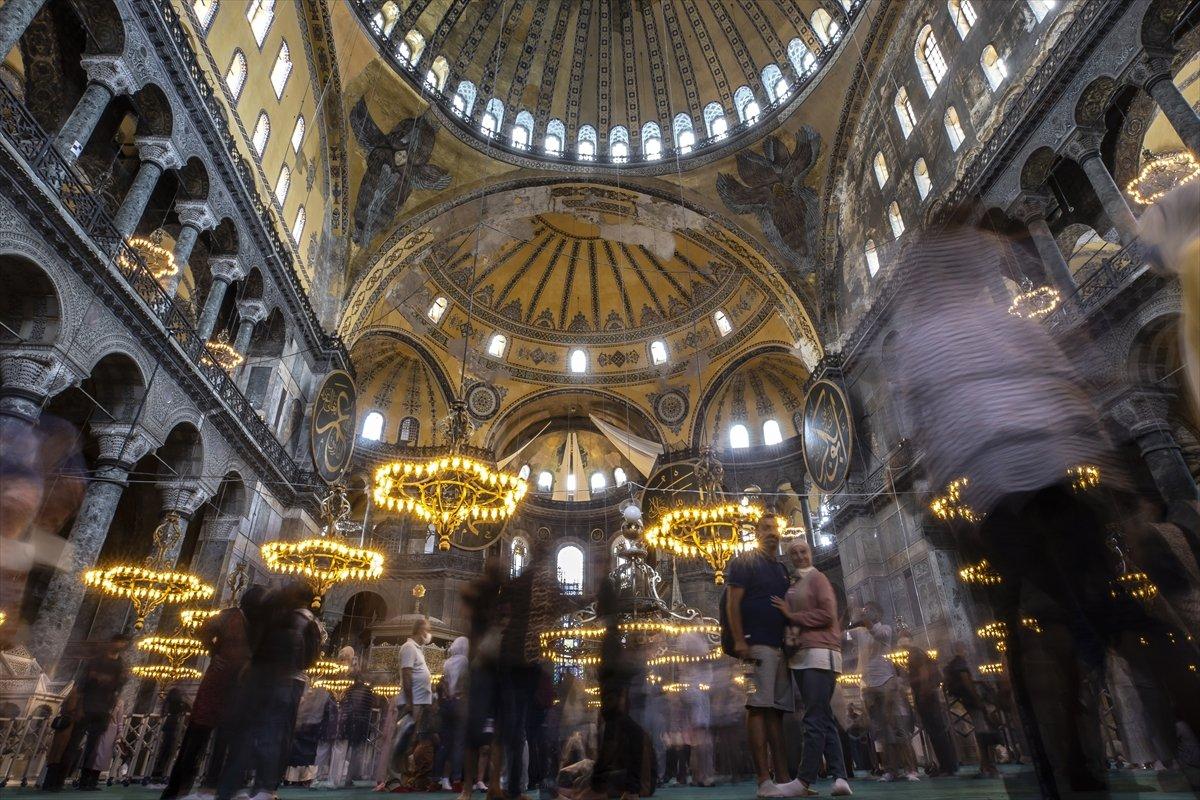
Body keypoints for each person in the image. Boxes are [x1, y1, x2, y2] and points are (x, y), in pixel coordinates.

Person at [215, 581, 323, 800]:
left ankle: (227, 790)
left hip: (256, 679)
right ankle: (265, 789)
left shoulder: (268, 612)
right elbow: (310, 655)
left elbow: (254, 643)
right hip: (285, 681)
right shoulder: (305, 620)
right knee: (274, 736)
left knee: (245, 737)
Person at [162, 586, 265, 800]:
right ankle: (178, 789)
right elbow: (202, 631)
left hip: (239, 687)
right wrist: (215, 653)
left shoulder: (259, 624)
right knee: (196, 737)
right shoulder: (228, 616)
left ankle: (212, 787)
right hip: (217, 683)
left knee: (225, 740)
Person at [771, 538, 851, 797]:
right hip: (801, 656)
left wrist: (792, 615)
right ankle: (840, 777)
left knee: (814, 718)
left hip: (820, 653)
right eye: (793, 552)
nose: (799, 555)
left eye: (803, 551)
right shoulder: (794, 583)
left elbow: (827, 615)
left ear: (811, 552)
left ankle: (803, 780)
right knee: (824, 717)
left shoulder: (818, 578)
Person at [724, 513, 796, 798]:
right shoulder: (744, 562)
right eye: (765, 529)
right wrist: (740, 639)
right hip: (755, 647)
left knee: (777, 712)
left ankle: (784, 777)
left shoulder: (780, 569)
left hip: (780, 649)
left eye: (775, 529)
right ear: (756, 533)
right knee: (757, 707)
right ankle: (763, 779)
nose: (771, 533)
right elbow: (732, 603)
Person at [497, 536, 562, 800]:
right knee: (523, 725)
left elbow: (501, 604)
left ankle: (510, 786)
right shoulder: (545, 581)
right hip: (528, 657)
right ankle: (517, 787)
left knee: (513, 724)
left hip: (509, 654)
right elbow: (559, 608)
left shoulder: (521, 579)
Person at [43, 633, 130, 791]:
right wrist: (78, 705)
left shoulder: (121, 666)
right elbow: (82, 683)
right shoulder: (96, 661)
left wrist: (110, 706)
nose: (120, 646)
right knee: (72, 744)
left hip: (103, 709)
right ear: (112, 643)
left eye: (123, 643)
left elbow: (119, 686)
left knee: (94, 747)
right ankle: (57, 781)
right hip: (85, 707)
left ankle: (86, 782)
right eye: (118, 642)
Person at [847, 603, 917, 782]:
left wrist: (866, 622)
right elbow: (849, 641)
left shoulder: (885, 629)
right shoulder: (860, 634)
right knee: (881, 730)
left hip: (887, 682)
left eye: (869, 611)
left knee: (897, 726)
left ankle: (910, 769)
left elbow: (877, 634)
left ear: (878, 613)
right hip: (870, 685)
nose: (866, 613)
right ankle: (890, 770)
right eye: (865, 611)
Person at [895, 632, 956, 777]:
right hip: (927, 695)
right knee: (936, 731)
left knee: (936, 731)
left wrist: (921, 690)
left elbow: (923, 673)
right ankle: (948, 765)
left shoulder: (915, 653)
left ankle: (947, 767)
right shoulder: (916, 653)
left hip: (927, 697)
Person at [389, 618, 434, 789]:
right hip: (411, 702)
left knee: (408, 743)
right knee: (400, 741)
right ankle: (393, 780)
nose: (429, 634)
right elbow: (406, 675)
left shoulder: (418, 650)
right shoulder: (408, 647)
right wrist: (409, 701)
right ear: (419, 630)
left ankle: (402, 780)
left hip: (418, 703)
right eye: (427, 629)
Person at [942, 643, 998, 779]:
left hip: (965, 699)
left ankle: (987, 764)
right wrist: (976, 696)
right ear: (961, 649)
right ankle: (987, 765)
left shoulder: (953, 664)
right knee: (983, 730)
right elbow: (967, 680)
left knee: (981, 729)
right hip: (972, 699)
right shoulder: (960, 663)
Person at [434, 636, 469, 791]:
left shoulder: (447, 663)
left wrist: (448, 696)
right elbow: (464, 682)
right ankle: (456, 778)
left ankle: (438, 778)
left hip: (447, 704)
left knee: (444, 743)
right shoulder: (464, 661)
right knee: (458, 743)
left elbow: (446, 684)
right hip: (459, 703)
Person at [149, 687, 191, 786]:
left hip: (169, 726)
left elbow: (164, 712)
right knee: (168, 752)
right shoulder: (180, 703)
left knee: (163, 752)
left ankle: (157, 774)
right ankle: (160, 775)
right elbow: (190, 707)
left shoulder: (169, 702)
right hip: (175, 727)